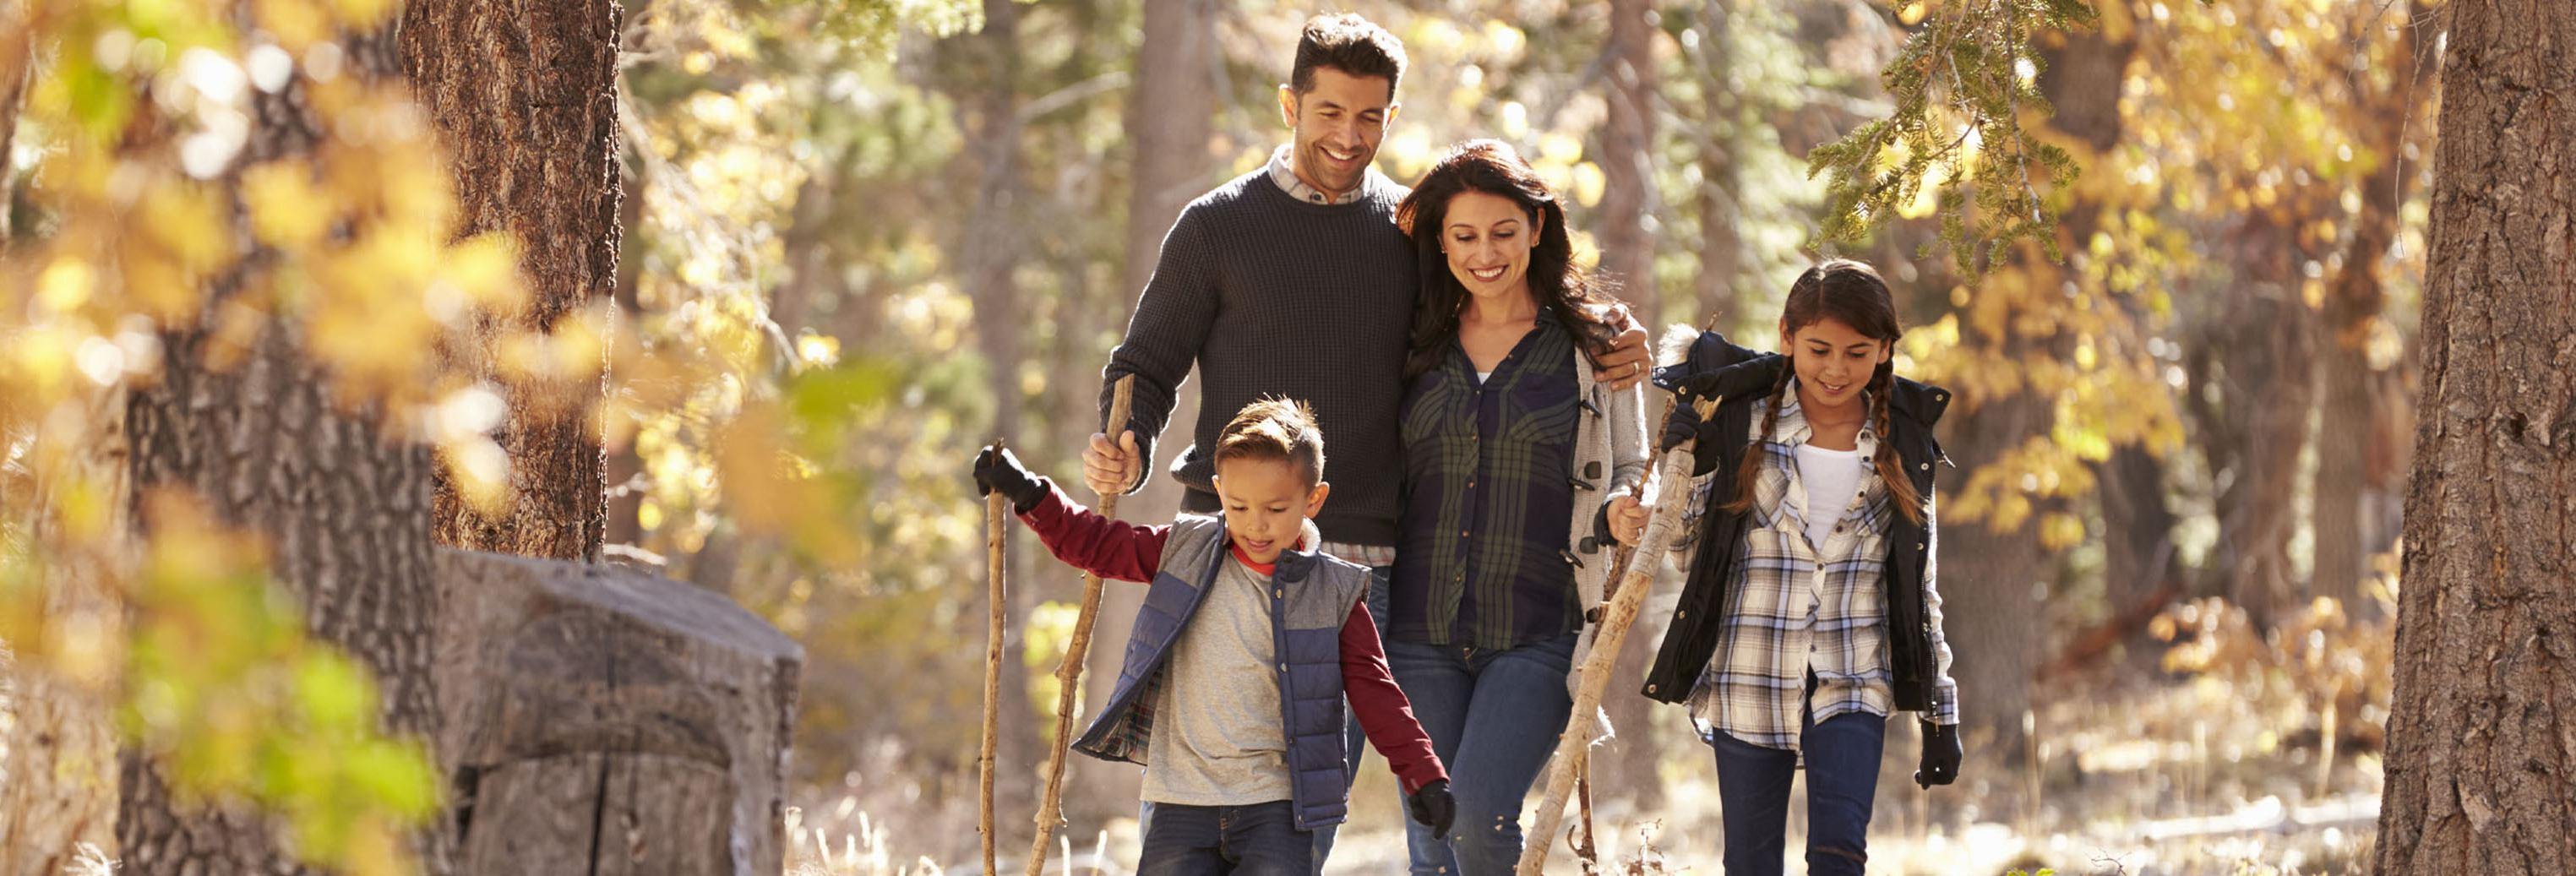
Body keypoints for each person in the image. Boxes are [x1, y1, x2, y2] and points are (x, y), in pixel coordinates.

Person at [1080, 12, 1652, 865]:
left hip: (1367, 572)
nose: (1350, 136)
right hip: (1230, 553)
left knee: (1311, 807)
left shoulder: (1408, 233)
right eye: (1330, 111)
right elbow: (1146, 365)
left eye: (1372, 115)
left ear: (1392, 114)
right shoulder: (1216, 225)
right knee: (1202, 795)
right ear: (1289, 105)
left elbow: (1495, 296)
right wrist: (1125, 443)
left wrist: (1605, 331)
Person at [974, 398, 1456, 874]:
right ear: (1219, 491)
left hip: (1279, 808)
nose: (1256, 524)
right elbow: (1097, 544)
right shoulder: (1184, 551)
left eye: (1275, 508)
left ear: (1314, 499)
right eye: (1239, 505)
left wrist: (1423, 774)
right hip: (1181, 801)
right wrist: (1027, 490)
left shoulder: (1335, 592)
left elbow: (1377, 692)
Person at [1620, 259, 1966, 876]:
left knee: (1840, 857)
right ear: (1786, 337)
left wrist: (1942, 711)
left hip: (1854, 675)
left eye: (1857, 352)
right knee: (1750, 864)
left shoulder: (1902, 443)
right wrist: (1691, 462)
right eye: (1818, 349)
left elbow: (1921, 588)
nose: (1835, 368)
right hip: (1750, 671)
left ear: (1884, 350)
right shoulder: (1740, 421)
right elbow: (1686, 552)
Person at [1373, 139, 1647, 875]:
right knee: (1431, 840)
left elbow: (1628, 465)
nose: (1484, 252)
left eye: (1502, 231)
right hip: (1417, 629)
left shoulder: (1594, 346)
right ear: (1441, 240)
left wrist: (1623, 507)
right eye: (1463, 235)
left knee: (1478, 822)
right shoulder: (1412, 341)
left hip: (1537, 630)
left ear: (1535, 226)